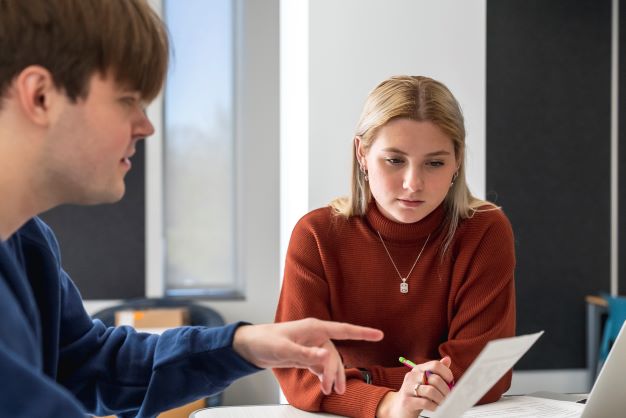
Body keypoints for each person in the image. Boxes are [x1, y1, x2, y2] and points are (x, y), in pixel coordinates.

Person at [0, 1, 384, 417]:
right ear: (40, 96)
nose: (146, 126)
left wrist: (243, 346)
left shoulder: (26, 241)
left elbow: (87, 364)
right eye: (127, 99)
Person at [274, 75, 516, 418]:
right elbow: (296, 372)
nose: (413, 184)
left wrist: (366, 380)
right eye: (394, 160)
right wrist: (388, 402)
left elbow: (485, 375)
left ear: (457, 160)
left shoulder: (485, 230)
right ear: (362, 153)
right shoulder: (316, 235)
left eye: (434, 163)